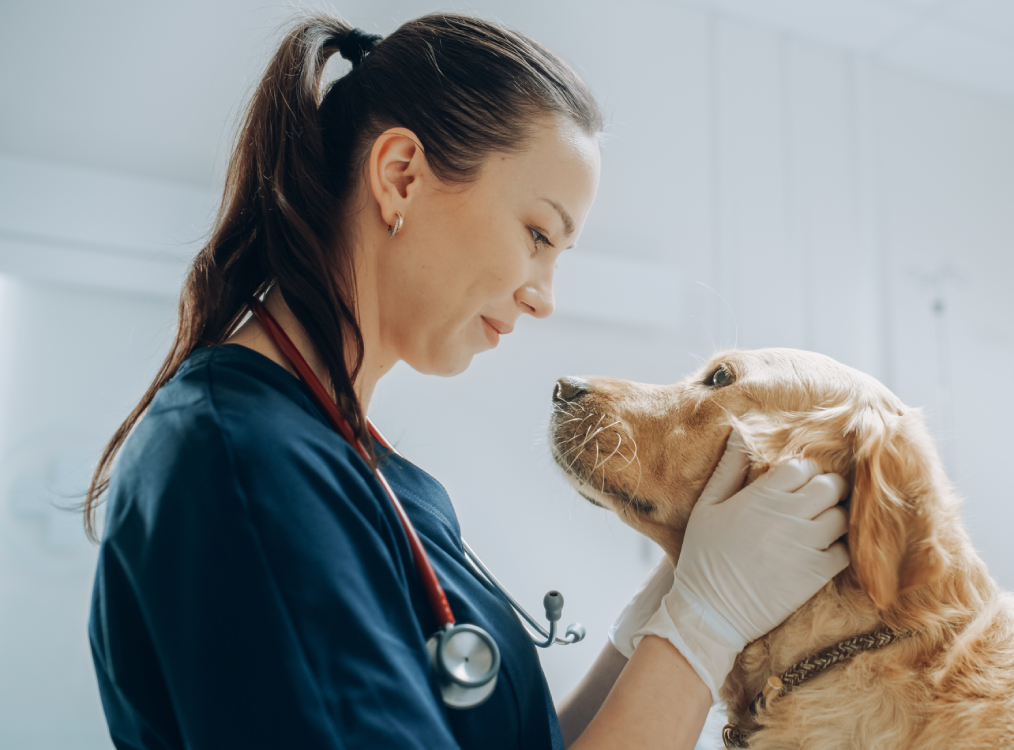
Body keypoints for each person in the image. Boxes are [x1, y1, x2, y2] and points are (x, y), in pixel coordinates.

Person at [84, 11, 849, 750]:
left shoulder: (371, 473)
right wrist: (704, 625)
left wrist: (658, 619)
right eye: (538, 234)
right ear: (401, 176)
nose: (544, 296)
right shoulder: (244, 466)